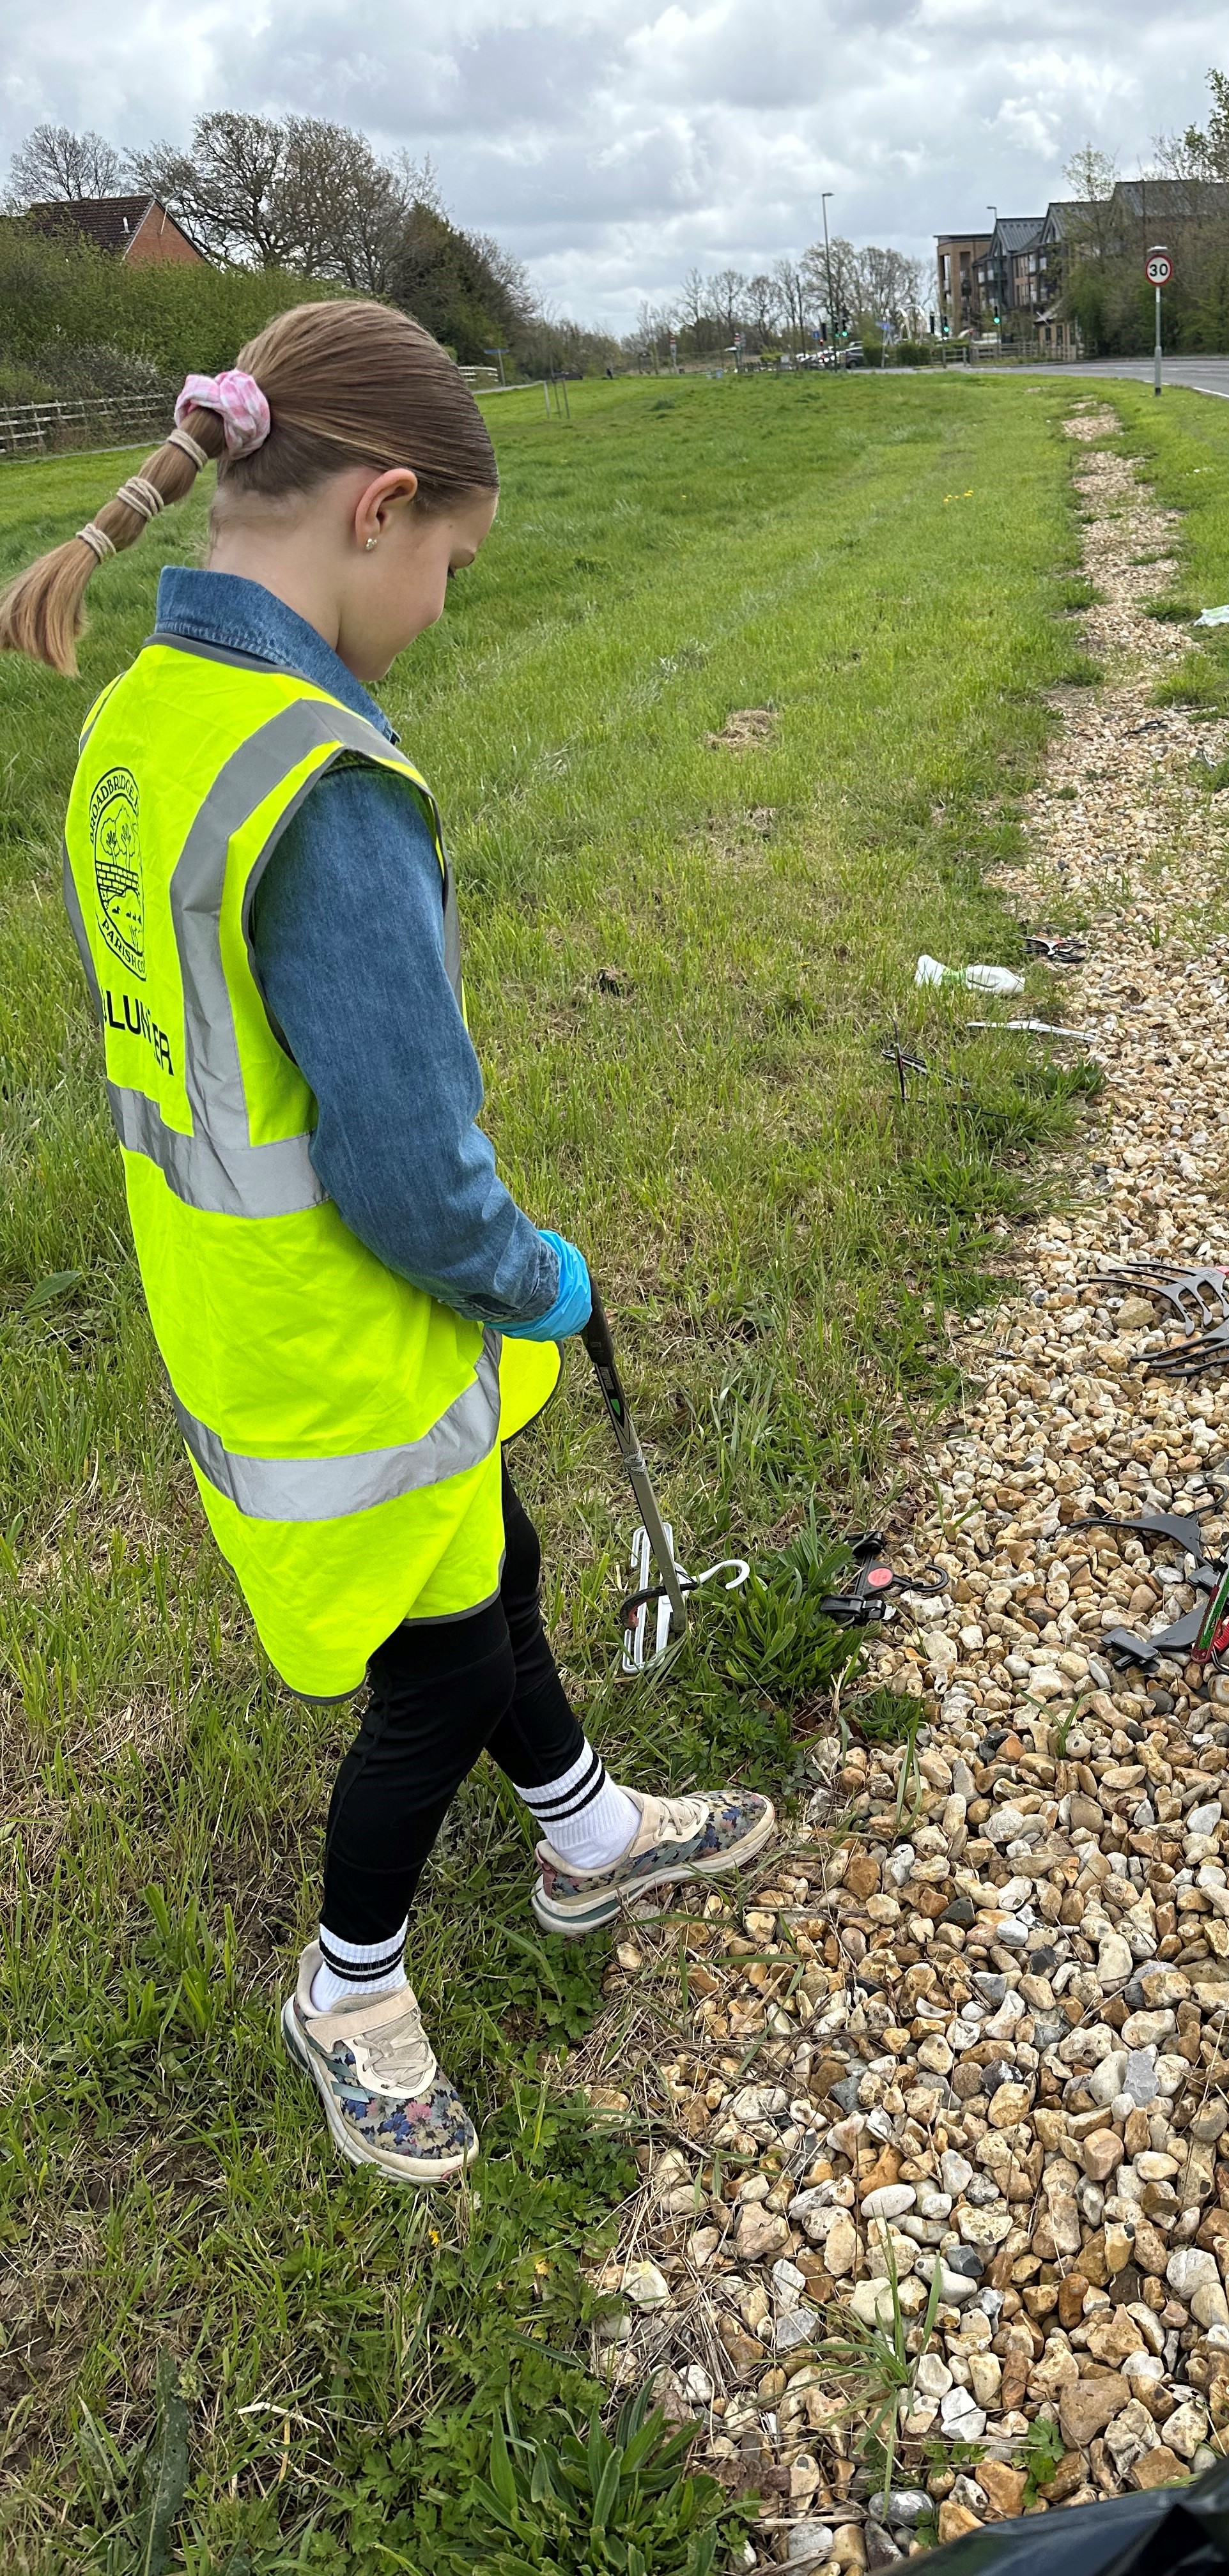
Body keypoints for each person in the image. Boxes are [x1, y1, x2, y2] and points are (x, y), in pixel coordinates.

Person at [0, 302, 773, 2184]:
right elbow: (415, 1179)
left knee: (486, 1558)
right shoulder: (321, 780)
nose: (447, 604)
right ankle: (350, 1986)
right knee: (433, 1675)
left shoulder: (142, 715)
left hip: (232, 1304)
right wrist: (540, 1276)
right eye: (452, 565)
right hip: (352, 1332)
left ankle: (587, 1832)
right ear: (381, 505)